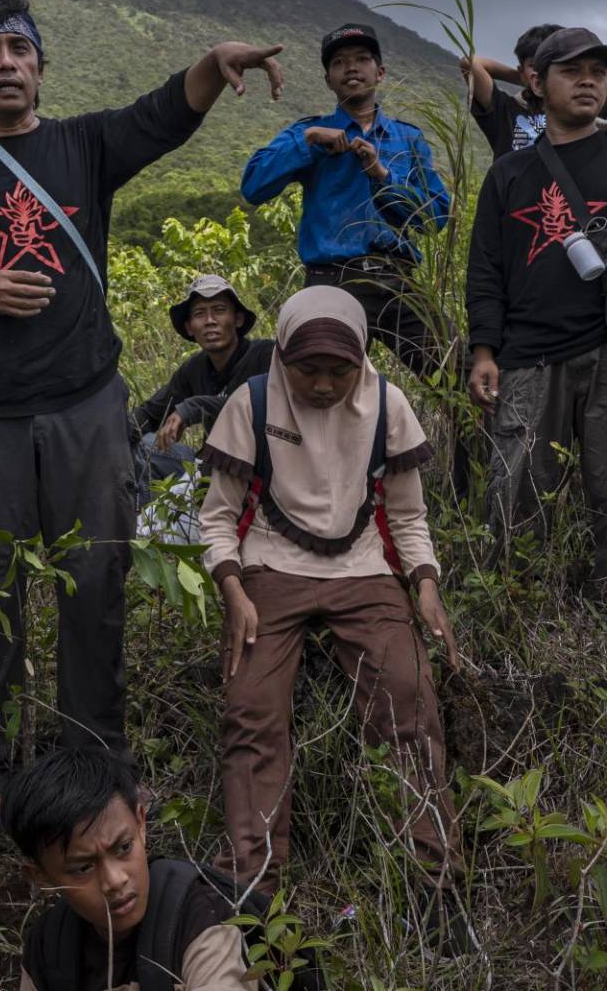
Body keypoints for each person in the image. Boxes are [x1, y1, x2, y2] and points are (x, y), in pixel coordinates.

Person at [0, 0, 285, 838]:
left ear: (39, 68)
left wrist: (214, 66)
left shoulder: (82, 146)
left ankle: (93, 765)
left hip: (86, 407)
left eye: (20, 50)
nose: (6, 64)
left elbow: (160, 117)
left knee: (94, 591)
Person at [198, 286, 460, 904]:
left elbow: (406, 514)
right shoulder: (252, 401)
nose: (321, 385)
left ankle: (434, 878)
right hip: (270, 563)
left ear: (362, 359)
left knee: (409, 699)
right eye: (307, 369)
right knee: (252, 709)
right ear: (281, 356)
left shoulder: (387, 405)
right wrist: (232, 587)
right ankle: (254, 883)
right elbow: (217, 516)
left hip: (364, 568)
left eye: (338, 370)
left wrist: (424, 584)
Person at [465, 27, 607, 586]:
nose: (589, 80)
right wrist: (484, 351)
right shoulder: (509, 172)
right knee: (517, 494)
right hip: (527, 354)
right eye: (573, 71)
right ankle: (516, 607)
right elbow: (486, 270)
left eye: (599, 71)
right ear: (537, 83)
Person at [240, 24, 452, 383]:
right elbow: (254, 186)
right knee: (320, 389)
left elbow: (436, 217)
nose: (351, 68)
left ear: (379, 72)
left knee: (460, 377)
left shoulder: (408, 137)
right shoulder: (309, 131)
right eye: (339, 62)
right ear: (328, 80)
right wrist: (307, 141)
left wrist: (382, 175)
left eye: (362, 59)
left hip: (398, 279)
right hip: (331, 282)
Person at [9, 748, 260, 991]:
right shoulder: (50, 946)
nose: (115, 881)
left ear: (141, 824)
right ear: (40, 876)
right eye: (83, 867)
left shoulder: (200, 915)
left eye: (124, 847)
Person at [130, 274, 274, 506]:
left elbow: (259, 405)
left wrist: (193, 408)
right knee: (141, 446)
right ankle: (141, 534)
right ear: (189, 328)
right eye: (199, 314)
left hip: (261, 475)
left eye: (218, 310)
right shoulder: (194, 369)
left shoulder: (264, 355)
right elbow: (149, 414)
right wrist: (108, 434)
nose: (209, 321)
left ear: (237, 319)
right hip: (210, 471)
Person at [462, 23, 607, 158]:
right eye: (534, 66)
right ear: (522, 70)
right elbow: (469, 63)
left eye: (555, 66)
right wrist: (531, 80)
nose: (587, 82)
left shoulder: (582, 105)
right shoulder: (505, 110)